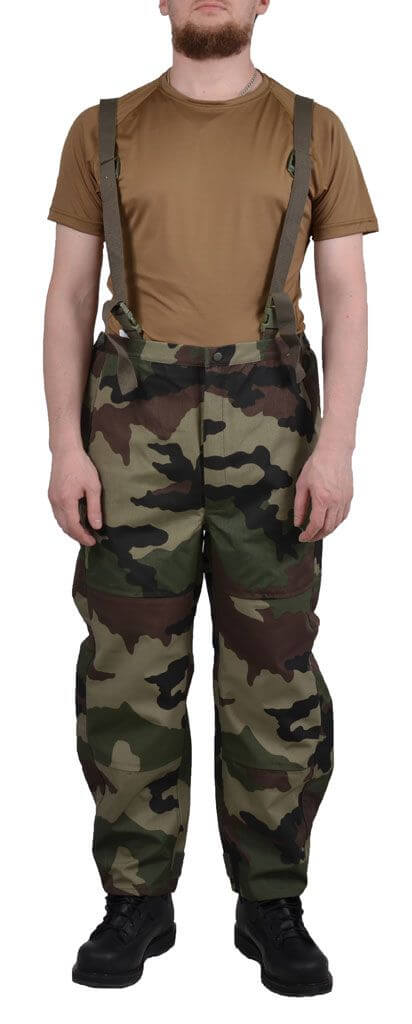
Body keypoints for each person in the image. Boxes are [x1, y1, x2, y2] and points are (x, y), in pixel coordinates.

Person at [43, 0, 378, 997]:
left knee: (272, 668)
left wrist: (337, 446)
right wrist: (64, 446)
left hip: (272, 428)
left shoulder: (316, 130)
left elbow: (347, 295)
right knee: (126, 670)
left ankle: (271, 901)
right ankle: (135, 899)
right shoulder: (101, 129)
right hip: (128, 427)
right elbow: (69, 295)